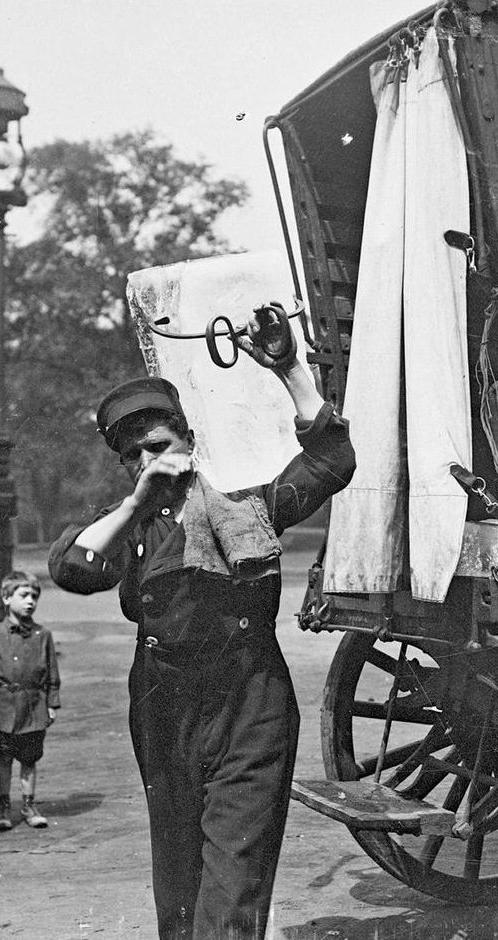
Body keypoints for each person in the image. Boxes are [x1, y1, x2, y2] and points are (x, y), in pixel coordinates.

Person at [49, 305, 355, 940]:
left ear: (191, 443)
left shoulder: (249, 505)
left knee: (232, 886)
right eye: (132, 456)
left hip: (249, 709)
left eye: (159, 446)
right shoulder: (126, 523)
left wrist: (289, 370)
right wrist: (138, 502)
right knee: (179, 886)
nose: (148, 461)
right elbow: (75, 569)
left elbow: (331, 461)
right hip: (165, 712)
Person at [0, 570, 60, 831]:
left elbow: (52, 673)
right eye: (24, 595)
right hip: (5, 706)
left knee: (30, 758)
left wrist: (52, 704)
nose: (30, 601)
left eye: (34, 596)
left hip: (34, 706)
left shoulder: (43, 635)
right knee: (4, 758)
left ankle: (29, 805)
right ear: (6, 598)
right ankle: (3, 806)